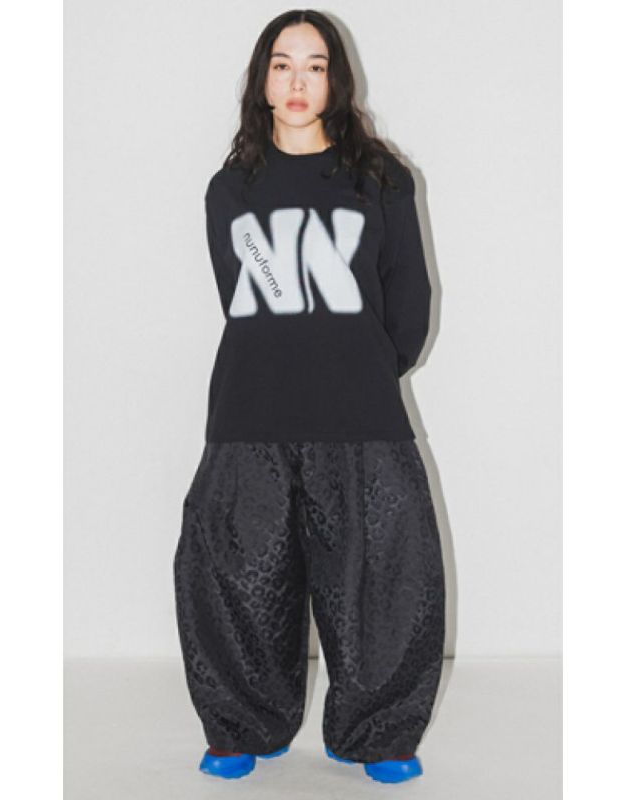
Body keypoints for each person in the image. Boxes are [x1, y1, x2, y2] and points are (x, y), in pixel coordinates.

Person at [173, 9, 446, 785]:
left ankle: (378, 735)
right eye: (283, 64)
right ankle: (242, 724)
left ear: (337, 80)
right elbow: (245, 299)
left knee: (382, 577)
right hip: (249, 411)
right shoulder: (232, 188)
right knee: (236, 575)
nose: (298, 81)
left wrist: (365, 367)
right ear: (262, 80)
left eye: (315, 65)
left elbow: (409, 299)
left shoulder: (380, 179)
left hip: (360, 414)